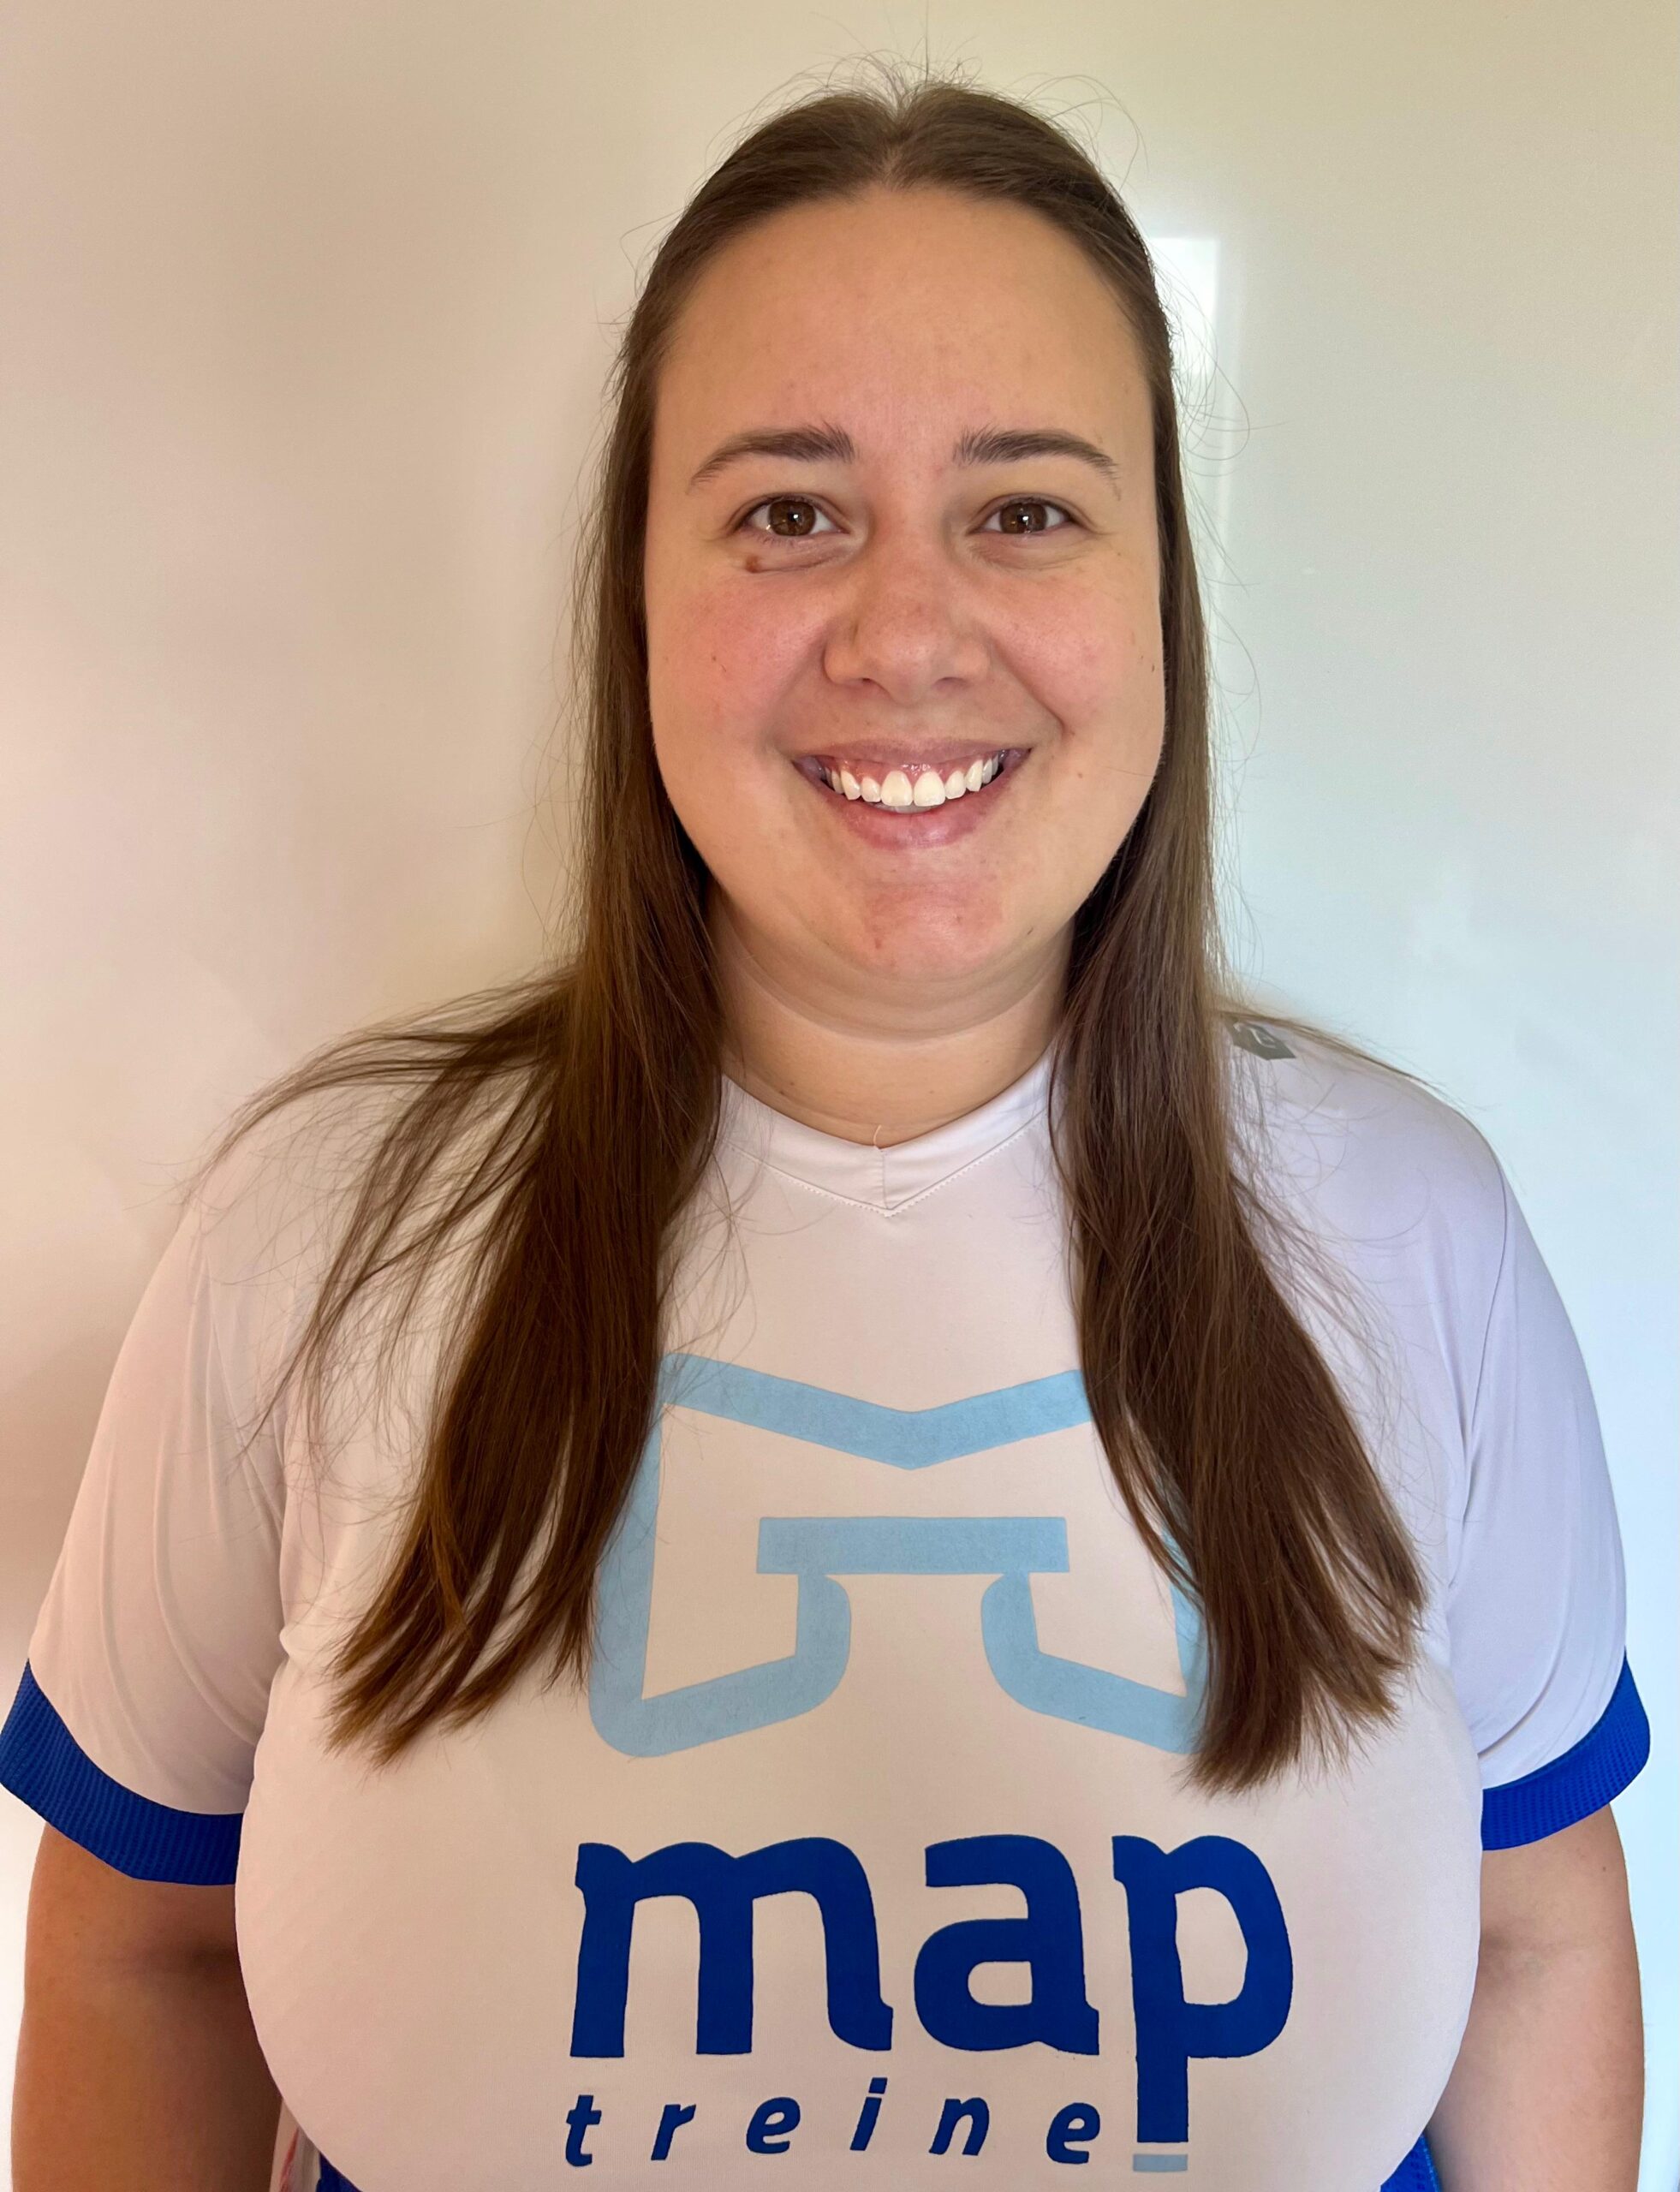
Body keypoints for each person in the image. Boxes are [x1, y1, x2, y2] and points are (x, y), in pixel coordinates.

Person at [0, 57, 1649, 2192]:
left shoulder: (1410, 1229)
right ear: (638, 601)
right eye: (789, 511)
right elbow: (144, 1951)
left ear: (1160, 596)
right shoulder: (321, 1234)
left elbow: (1532, 1934)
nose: (908, 633)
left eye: (1025, 509)